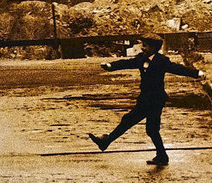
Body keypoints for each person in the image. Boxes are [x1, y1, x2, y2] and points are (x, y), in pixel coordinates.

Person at [88, 35, 205, 166]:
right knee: (142, 125)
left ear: (154, 48)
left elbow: (178, 69)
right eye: (142, 45)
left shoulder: (161, 61)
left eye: (145, 46)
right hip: (145, 98)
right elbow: (127, 63)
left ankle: (107, 141)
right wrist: (111, 66)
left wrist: (196, 73)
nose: (142, 48)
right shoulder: (141, 58)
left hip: (156, 100)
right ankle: (161, 155)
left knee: (141, 125)